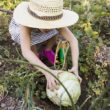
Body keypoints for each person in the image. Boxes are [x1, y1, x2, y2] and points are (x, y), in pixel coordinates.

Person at [9, 0, 82, 90]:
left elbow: (73, 40)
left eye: (51, 25)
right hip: (23, 30)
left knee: (54, 31)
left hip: (40, 26)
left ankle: (47, 50)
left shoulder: (53, 17)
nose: (48, 28)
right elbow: (25, 51)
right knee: (31, 46)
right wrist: (47, 72)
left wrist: (75, 66)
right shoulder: (25, 23)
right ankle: (36, 56)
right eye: (45, 25)